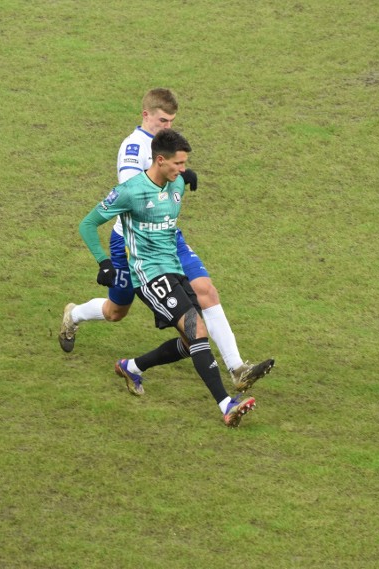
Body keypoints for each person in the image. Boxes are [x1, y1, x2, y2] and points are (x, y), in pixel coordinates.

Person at [59, 88, 274, 392]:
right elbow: (136, 193)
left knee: (206, 291)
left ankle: (237, 368)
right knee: (116, 311)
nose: (167, 126)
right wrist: (177, 178)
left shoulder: (165, 144)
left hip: (167, 235)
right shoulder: (133, 148)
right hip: (133, 242)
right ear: (145, 114)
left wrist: (181, 174)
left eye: (171, 121)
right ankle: (75, 313)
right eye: (162, 120)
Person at [78, 129, 255, 427]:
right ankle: (226, 404)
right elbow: (88, 223)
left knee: (191, 343)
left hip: (174, 269)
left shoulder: (177, 185)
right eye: (179, 164)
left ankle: (132, 367)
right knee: (197, 329)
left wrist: (186, 176)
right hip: (149, 276)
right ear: (160, 160)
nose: (184, 170)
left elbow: (181, 180)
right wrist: (103, 261)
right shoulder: (130, 192)